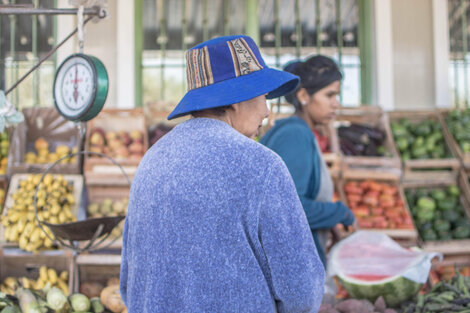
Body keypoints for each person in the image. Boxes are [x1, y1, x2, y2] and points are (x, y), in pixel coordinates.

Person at [120, 35, 325, 313]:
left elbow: (128, 283)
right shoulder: (261, 166)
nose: (266, 110)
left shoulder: (151, 161)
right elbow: (302, 292)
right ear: (236, 99)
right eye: (263, 95)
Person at [260, 55, 355, 268]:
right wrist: (339, 213)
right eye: (329, 95)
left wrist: (326, 221)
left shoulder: (297, 132)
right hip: (290, 268)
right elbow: (287, 210)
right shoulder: (295, 135)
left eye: (337, 96)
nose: (336, 104)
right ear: (303, 95)